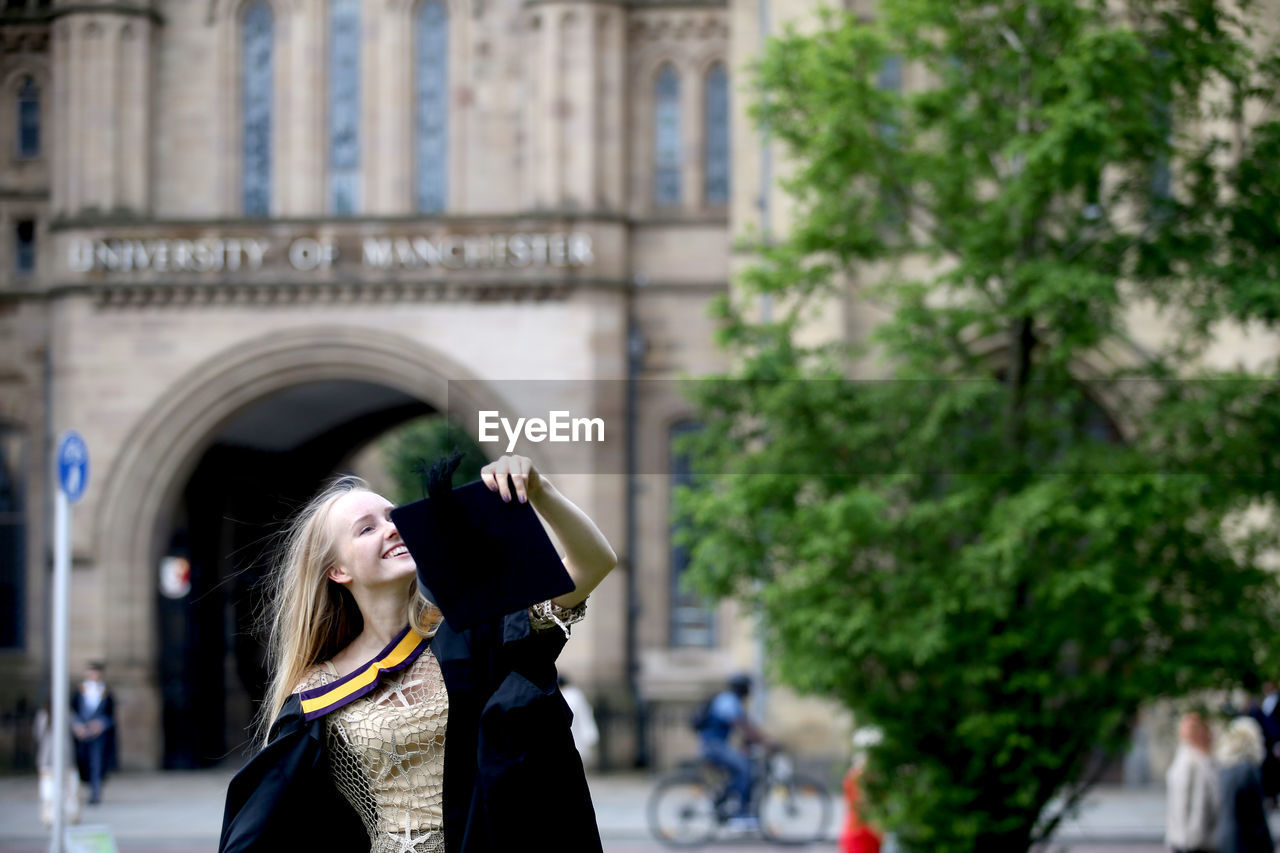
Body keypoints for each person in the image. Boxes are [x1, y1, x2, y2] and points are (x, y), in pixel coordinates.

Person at [220, 454, 618, 853]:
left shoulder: (471, 627)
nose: (391, 530)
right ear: (338, 571)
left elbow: (594, 564)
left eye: (394, 517)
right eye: (366, 529)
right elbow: (280, 825)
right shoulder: (317, 690)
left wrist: (541, 491)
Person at [696, 673, 774, 828]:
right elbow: (740, 725)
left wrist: (756, 740)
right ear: (742, 688)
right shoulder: (728, 701)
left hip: (717, 745)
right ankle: (741, 814)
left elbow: (746, 726)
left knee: (743, 764)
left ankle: (727, 801)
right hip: (713, 746)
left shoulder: (732, 701)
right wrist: (765, 741)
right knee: (744, 769)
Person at [1216, 716, 1274, 853]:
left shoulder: (1225, 768)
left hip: (1226, 839)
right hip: (1245, 841)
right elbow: (1256, 816)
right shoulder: (1248, 770)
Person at [1165, 711, 1218, 853]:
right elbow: (1190, 804)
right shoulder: (1192, 761)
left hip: (1190, 839)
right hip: (1194, 841)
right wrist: (1190, 840)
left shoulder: (1194, 759)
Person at [71, 661, 116, 805]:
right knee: (81, 761)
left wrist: (101, 724)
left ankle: (95, 793)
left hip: (99, 734)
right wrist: (78, 726)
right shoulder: (79, 691)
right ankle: (79, 792)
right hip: (82, 733)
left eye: (96, 672)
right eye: (91, 672)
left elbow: (110, 715)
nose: (94, 674)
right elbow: (73, 711)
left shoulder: (106, 692)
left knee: (97, 762)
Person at [35, 699, 81, 827]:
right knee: (68, 789)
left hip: (48, 758)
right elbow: (78, 730)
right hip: (62, 758)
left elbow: (37, 735)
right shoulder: (66, 713)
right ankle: (71, 814)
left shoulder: (43, 715)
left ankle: (49, 816)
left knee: (49, 790)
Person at [558, 674, 600, 768]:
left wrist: (590, 734)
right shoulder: (574, 695)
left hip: (576, 736)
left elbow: (583, 715)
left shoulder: (573, 696)